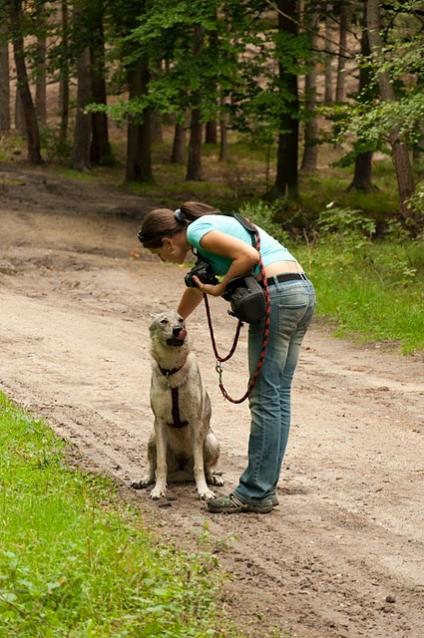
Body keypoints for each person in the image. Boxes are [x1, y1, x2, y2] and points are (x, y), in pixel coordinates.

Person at [137, 201, 315, 514]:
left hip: (278, 297)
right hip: (298, 291)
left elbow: (249, 257)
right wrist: (176, 323)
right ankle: (263, 488)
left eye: (158, 254)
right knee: (276, 396)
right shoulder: (207, 236)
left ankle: (255, 492)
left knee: (265, 399)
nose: (163, 260)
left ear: (167, 242)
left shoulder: (198, 231)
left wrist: (220, 288)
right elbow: (195, 289)